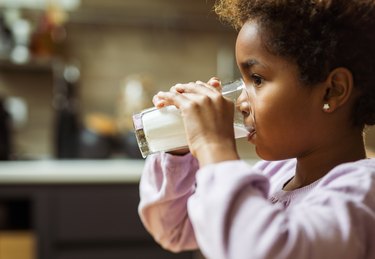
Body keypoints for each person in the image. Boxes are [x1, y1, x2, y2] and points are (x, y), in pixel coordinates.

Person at [138, 0, 375, 258]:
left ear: (333, 90)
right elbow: (175, 229)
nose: (240, 102)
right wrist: (181, 148)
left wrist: (213, 147)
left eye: (257, 79)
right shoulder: (271, 174)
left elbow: (264, 251)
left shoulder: (362, 192)